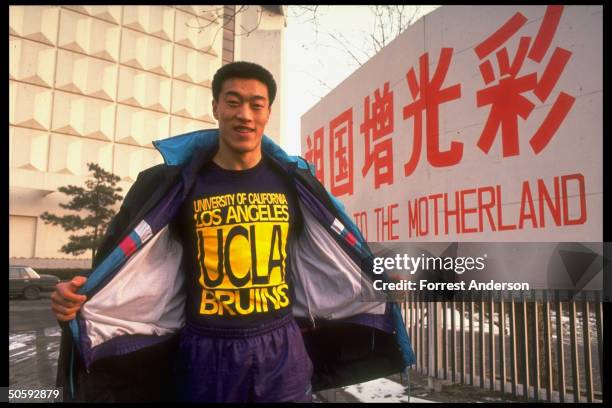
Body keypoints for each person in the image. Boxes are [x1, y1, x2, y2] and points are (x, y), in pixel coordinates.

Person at [52, 61, 415, 402]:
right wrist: (80, 295)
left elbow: (331, 253)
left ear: (268, 113)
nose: (245, 114)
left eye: (256, 105)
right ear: (215, 108)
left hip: (281, 351)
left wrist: (376, 275)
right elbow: (129, 266)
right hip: (205, 355)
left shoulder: (294, 185)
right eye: (233, 102)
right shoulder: (177, 187)